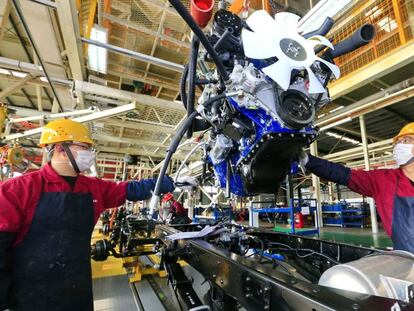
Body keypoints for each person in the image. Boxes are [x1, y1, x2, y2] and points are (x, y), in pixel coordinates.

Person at [0, 119, 176, 311]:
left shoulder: (93, 187)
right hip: (29, 296)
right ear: (60, 148)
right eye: (84, 147)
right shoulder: (16, 190)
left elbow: (132, 189)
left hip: (78, 289)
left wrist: (171, 182)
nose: (90, 154)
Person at [300, 122, 414, 253]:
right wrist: (307, 160)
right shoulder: (384, 180)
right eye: (398, 143)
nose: (399, 146)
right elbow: (342, 174)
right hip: (408, 260)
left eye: (406, 140)